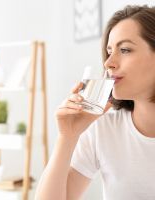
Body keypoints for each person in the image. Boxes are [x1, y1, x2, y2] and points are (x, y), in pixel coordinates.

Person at [35, 5, 155, 200]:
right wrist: (68, 137)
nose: (108, 63)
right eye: (109, 51)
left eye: (124, 50)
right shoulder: (103, 128)